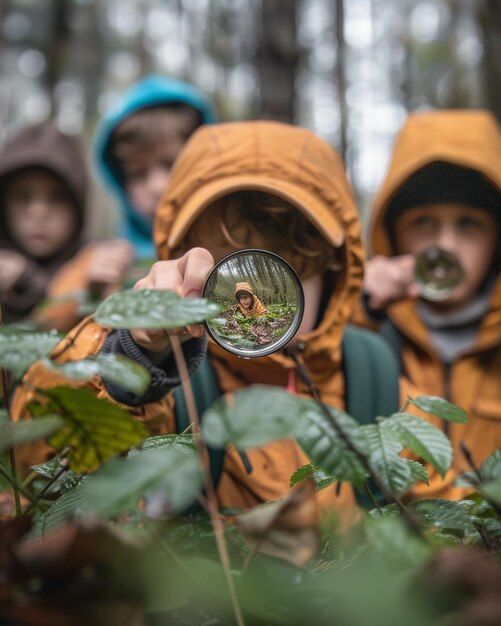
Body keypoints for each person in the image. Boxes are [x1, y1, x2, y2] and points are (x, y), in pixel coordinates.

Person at [13, 120, 418, 527]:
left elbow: (438, 522)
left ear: (332, 274)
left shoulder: (379, 387)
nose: (248, 301)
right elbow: (42, 473)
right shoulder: (171, 394)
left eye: (279, 275)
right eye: (225, 273)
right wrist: (133, 358)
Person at [358, 109, 501, 499]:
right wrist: (360, 306)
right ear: (392, 233)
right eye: (423, 222)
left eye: (469, 223)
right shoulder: (366, 334)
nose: (446, 246)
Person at [0, 120, 133, 330]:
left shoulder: (95, 262)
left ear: (77, 205)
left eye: (57, 197)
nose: (39, 212)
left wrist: (25, 281)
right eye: (22, 196)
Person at [91, 73, 217, 265]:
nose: (157, 187)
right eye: (138, 174)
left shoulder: (235, 247)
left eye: (173, 164)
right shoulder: (113, 262)